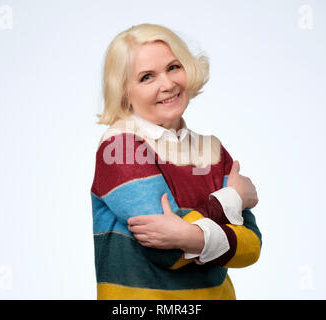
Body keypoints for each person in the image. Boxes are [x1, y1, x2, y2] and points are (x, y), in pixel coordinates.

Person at [91, 23, 262, 300]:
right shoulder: (120, 147)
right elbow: (169, 252)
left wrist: (188, 234)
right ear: (124, 91)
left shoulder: (212, 149)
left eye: (173, 67)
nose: (168, 84)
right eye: (147, 77)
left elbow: (252, 246)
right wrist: (232, 200)